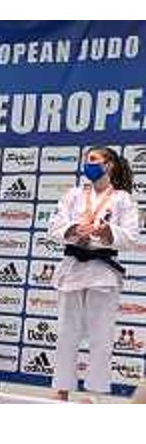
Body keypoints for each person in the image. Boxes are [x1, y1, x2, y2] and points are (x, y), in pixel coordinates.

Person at [48, 146, 139, 401]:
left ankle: (94, 393)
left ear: (108, 165)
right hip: (73, 267)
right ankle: (61, 389)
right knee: (66, 332)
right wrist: (74, 229)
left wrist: (107, 232)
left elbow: (131, 237)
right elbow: (54, 227)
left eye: (93, 160)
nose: (88, 164)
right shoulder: (74, 195)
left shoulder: (123, 199)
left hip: (102, 271)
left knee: (101, 335)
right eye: (86, 160)